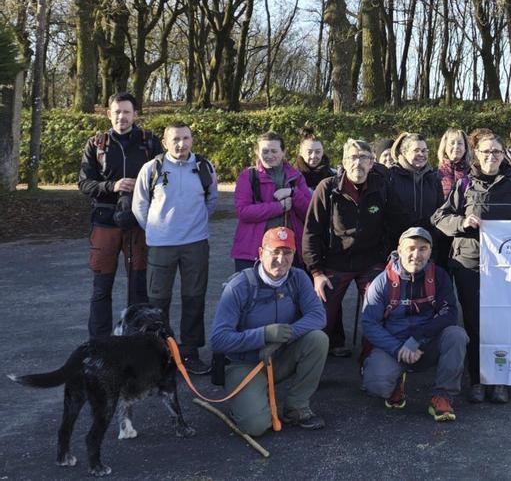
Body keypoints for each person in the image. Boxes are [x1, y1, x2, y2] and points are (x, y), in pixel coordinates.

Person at [432, 130, 511, 404]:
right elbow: (439, 217)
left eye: (496, 152)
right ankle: (478, 379)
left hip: (507, 267)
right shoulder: (465, 184)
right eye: (486, 151)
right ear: (476, 154)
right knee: (475, 324)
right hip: (470, 263)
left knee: (503, 322)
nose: (491, 156)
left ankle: (500, 380)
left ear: (504, 155)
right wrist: (462, 222)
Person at [210, 226, 329, 435]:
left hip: (278, 357)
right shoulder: (239, 286)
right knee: (255, 426)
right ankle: (246, 401)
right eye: (274, 252)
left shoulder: (298, 278)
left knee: (318, 339)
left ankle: (296, 407)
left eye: (287, 253)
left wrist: (284, 335)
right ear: (260, 253)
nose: (281, 260)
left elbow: (318, 316)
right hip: (245, 364)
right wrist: (264, 335)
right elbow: (219, 340)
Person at [302, 139, 404, 359]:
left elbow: (395, 226)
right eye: (353, 157)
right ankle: (313, 367)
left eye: (363, 158)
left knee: (378, 312)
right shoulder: (327, 188)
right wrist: (316, 272)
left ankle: (371, 362)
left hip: (372, 262)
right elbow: (311, 232)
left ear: (372, 163)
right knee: (320, 316)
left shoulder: (382, 187)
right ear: (344, 161)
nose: (358, 163)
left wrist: (391, 259)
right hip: (334, 263)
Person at [132, 120, 219, 374]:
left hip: (196, 244)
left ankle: (190, 352)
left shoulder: (204, 166)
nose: (181, 144)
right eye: (175, 139)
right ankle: (161, 354)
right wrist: (156, 230)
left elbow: (211, 200)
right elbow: (140, 205)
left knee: (194, 298)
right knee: (158, 301)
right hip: (161, 245)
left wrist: (196, 224)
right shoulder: (152, 168)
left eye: (186, 138)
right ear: (165, 142)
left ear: (192, 139)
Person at [78, 92, 163, 338]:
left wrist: (140, 187)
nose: (121, 117)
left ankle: (138, 340)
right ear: (109, 114)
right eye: (116, 112)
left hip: (139, 223)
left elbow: (164, 181)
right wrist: (112, 186)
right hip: (104, 222)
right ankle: (99, 343)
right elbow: (84, 184)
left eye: (126, 112)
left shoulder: (149, 142)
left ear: (136, 114)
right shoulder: (96, 144)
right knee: (101, 288)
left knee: (139, 288)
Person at [360, 227, 467, 422]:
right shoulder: (382, 282)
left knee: (456, 335)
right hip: (393, 346)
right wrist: (397, 347)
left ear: (430, 251)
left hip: (425, 344)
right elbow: (369, 324)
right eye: (410, 248)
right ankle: (394, 383)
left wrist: (417, 339)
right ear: (399, 250)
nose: (416, 255)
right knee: (376, 386)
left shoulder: (439, 277)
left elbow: (450, 313)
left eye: (423, 249)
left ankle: (442, 395)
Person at [232, 132, 312, 271]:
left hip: (288, 250)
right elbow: (243, 211)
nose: (269, 155)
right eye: (265, 151)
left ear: (283, 152)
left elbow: (309, 212)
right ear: (257, 152)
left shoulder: (296, 177)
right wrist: (279, 207)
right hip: (252, 251)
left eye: (274, 151)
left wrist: (293, 193)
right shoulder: (247, 176)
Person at [389, 133, 447, 267]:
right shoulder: (391, 177)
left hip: (428, 247)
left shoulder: (434, 178)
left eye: (424, 150)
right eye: (416, 150)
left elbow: (439, 211)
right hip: (398, 248)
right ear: (404, 152)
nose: (421, 154)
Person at [437, 128, 471, 200]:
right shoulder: (436, 174)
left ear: (465, 148)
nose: (456, 147)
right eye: (452, 143)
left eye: (460, 143)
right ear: (445, 147)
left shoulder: (472, 173)